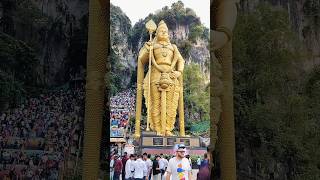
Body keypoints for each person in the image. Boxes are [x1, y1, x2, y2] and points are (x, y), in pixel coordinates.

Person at [135, 20, 185, 137]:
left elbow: (181, 60)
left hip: (171, 75)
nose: (163, 32)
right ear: (156, 34)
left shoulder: (173, 47)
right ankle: (157, 128)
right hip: (155, 75)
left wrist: (179, 72)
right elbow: (142, 59)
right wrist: (148, 49)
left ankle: (167, 129)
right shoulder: (152, 46)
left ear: (168, 34)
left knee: (170, 104)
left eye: (165, 31)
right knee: (155, 103)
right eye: (161, 31)